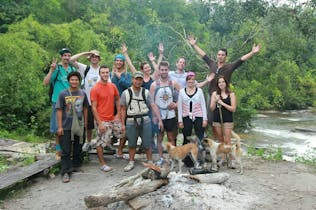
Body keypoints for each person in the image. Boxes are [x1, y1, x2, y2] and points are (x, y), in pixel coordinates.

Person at [188, 35, 260, 128]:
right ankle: (213, 138)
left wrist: (252, 52)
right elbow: (203, 55)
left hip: (224, 96)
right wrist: (194, 45)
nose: (220, 56)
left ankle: (225, 137)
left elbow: (241, 60)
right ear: (217, 56)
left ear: (226, 56)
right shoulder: (212, 64)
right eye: (219, 55)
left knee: (224, 118)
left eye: (222, 55)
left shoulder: (230, 67)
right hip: (211, 95)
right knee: (210, 119)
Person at [120, 71, 163, 172]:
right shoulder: (126, 93)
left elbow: (152, 105)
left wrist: (159, 119)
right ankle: (131, 161)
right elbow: (122, 109)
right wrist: (122, 124)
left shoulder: (146, 92)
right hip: (131, 120)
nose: (138, 81)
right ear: (132, 80)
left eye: (140, 79)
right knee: (132, 143)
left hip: (145, 120)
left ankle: (150, 161)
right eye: (136, 79)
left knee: (147, 143)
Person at [70, 50, 110, 152]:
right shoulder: (86, 68)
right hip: (88, 100)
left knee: (102, 123)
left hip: (101, 103)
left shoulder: (103, 70)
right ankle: (88, 142)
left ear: (99, 58)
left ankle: (103, 142)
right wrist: (85, 53)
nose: (94, 58)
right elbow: (71, 60)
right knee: (88, 124)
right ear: (90, 58)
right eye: (92, 56)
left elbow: (109, 85)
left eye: (96, 56)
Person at [43, 48, 77, 159]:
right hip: (57, 102)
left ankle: (68, 149)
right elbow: (45, 83)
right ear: (61, 57)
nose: (66, 57)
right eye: (64, 55)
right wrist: (51, 70)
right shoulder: (57, 69)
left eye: (68, 55)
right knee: (57, 127)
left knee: (70, 127)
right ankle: (58, 150)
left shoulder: (72, 69)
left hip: (70, 102)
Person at [55, 71, 88, 183]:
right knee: (66, 149)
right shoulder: (63, 94)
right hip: (66, 125)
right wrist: (59, 126)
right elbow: (59, 110)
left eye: (76, 80)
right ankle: (65, 172)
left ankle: (75, 165)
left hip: (79, 125)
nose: (74, 81)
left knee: (79, 146)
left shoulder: (82, 93)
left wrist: (86, 123)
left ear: (79, 81)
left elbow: (85, 108)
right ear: (68, 81)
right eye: (72, 80)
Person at [90, 65, 124, 172]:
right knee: (100, 142)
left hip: (112, 118)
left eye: (106, 72)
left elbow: (118, 99)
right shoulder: (95, 88)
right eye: (103, 72)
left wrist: (118, 114)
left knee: (123, 132)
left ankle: (119, 152)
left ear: (109, 74)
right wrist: (99, 123)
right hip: (102, 119)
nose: (105, 74)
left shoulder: (112, 86)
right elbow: (93, 108)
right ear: (99, 74)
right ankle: (102, 164)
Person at [150, 61, 181, 166]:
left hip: (171, 115)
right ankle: (161, 157)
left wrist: (176, 104)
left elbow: (183, 95)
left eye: (165, 70)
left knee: (171, 137)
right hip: (159, 115)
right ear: (159, 70)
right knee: (159, 137)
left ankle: (172, 157)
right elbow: (152, 102)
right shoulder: (154, 85)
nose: (164, 72)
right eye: (162, 70)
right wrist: (155, 116)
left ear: (168, 70)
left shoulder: (173, 83)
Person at [210, 76, 237, 166]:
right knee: (221, 139)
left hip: (227, 119)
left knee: (227, 140)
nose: (221, 84)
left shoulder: (231, 94)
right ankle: (223, 158)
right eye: (219, 82)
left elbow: (233, 109)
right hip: (217, 119)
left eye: (223, 82)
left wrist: (222, 103)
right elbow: (211, 108)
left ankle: (231, 160)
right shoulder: (215, 94)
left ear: (226, 83)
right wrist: (214, 100)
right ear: (217, 84)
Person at [110, 53, 131, 159]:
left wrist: (120, 77)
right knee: (111, 126)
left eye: (120, 60)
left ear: (123, 63)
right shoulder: (110, 74)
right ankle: (110, 145)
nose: (118, 62)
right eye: (117, 60)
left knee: (124, 127)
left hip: (124, 105)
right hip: (111, 104)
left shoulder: (127, 74)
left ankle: (120, 149)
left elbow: (129, 86)